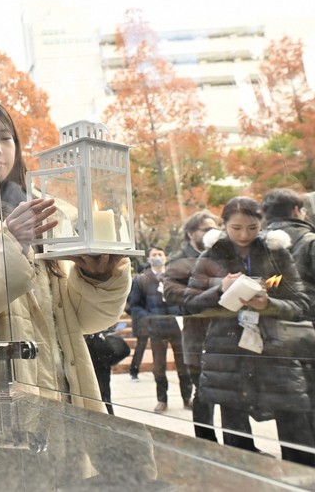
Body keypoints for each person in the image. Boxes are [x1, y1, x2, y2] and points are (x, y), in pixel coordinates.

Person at [0, 99, 131, 410]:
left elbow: (83, 320)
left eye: (5, 137)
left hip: (65, 400)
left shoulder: (49, 212)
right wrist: (11, 245)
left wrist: (96, 277)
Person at [185, 196, 315, 466]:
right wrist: (220, 289)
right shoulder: (210, 255)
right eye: (236, 228)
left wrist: (269, 303)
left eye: (252, 228)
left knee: (295, 434)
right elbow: (190, 304)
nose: (244, 235)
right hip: (227, 354)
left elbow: (301, 303)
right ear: (224, 225)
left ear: (261, 224)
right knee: (236, 440)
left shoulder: (276, 252)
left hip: (273, 350)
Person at [262, 188, 315, 448]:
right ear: (297, 210)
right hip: (308, 334)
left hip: (271, 335)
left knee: (287, 409)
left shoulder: (254, 244)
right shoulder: (309, 241)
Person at [163, 210, 220, 440]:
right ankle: (206, 441)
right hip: (197, 332)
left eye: (216, 227)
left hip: (224, 331)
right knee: (203, 390)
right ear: (190, 233)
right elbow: (170, 292)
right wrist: (208, 290)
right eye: (206, 229)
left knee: (227, 392)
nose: (213, 232)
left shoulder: (220, 254)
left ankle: (241, 444)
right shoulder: (179, 258)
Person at [128, 246, 192, 413]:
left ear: (166, 257)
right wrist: (148, 317)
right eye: (154, 255)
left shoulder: (175, 277)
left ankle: (187, 398)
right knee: (159, 365)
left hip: (177, 326)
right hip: (156, 328)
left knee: (183, 364)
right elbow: (134, 305)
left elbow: (186, 298)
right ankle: (162, 400)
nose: (157, 257)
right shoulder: (142, 279)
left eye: (160, 254)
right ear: (148, 259)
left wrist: (182, 313)